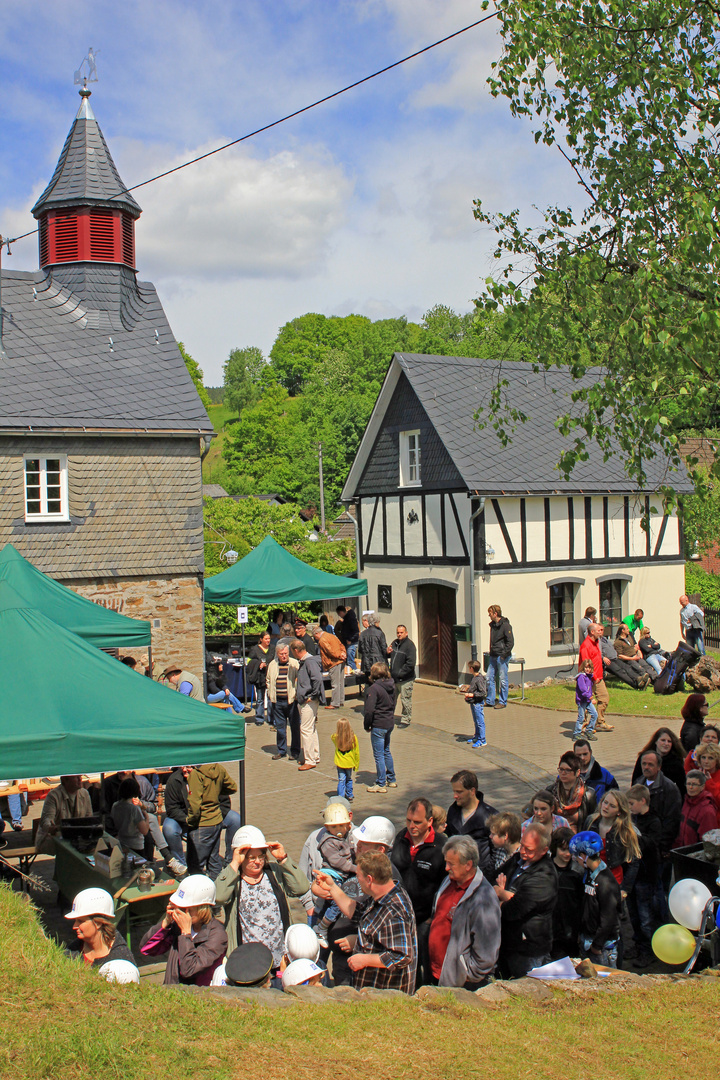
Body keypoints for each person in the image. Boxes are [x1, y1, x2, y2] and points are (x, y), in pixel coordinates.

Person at [314, 850, 417, 993]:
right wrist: (332, 887)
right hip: (372, 991)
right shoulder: (381, 895)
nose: (357, 880)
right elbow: (357, 911)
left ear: (369, 879)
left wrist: (364, 960)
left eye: (358, 876)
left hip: (385, 997)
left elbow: (402, 956)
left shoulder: (394, 911)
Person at [214, 825, 310, 965]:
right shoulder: (233, 878)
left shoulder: (274, 872)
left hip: (279, 958)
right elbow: (219, 897)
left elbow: (301, 887)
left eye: (261, 856)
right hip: (248, 960)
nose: (257, 862)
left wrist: (283, 859)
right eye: (251, 858)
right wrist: (234, 864)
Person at [427, 835, 501, 989]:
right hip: (437, 973)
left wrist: (466, 974)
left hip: (460, 983)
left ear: (468, 865)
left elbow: (487, 951)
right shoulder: (449, 880)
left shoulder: (483, 899)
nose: (446, 868)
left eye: (451, 864)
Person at [391, 797, 447, 984]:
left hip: (425, 920)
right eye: (408, 820)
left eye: (417, 822)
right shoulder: (400, 838)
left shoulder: (441, 846)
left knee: (425, 962)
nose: (411, 826)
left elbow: (446, 885)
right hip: (401, 917)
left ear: (430, 822)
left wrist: (433, 917)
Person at [494, 823, 558, 978]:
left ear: (544, 850)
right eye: (522, 846)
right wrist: (506, 895)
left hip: (528, 949)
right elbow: (493, 878)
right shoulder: (518, 859)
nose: (522, 852)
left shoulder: (544, 876)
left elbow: (514, 909)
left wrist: (501, 893)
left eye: (529, 850)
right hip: (507, 944)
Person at [140, 875, 227, 985]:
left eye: (187, 908)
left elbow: (189, 970)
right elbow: (146, 949)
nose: (180, 912)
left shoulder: (217, 935)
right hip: (171, 991)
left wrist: (186, 934)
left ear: (202, 908)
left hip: (196, 997)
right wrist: (165, 923)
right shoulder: (178, 924)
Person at [569, 831, 622, 968]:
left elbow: (608, 918)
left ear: (583, 856)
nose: (576, 861)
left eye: (576, 857)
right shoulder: (588, 875)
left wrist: (597, 945)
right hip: (588, 939)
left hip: (602, 947)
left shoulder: (606, 883)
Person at [625, 784, 663, 967]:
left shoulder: (653, 821)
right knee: (633, 914)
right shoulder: (634, 818)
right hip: (632, 876)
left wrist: (635, 835)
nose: (630, 807)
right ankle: (638, 944)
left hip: (646, 877)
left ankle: (649, 950)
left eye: (631, 803)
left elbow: (652, 845)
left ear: (643, 801)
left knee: (646, 916)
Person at [583, 791, 642, 898]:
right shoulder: (591, 822)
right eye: (605, 803)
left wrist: (624, 890)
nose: (606, 807)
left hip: (613, 881)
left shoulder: (625, 832)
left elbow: (634, 862)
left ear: (619, 811)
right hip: (590, 880)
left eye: (612, 806)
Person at [314, 803, 357, 947]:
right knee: (338, 903)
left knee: (335, 903)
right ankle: (322, 928)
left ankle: (322, 925)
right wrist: (354, 868)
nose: (338, 830)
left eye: (341, 826)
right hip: (333, 876)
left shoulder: (345, 837)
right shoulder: (328, 842)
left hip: (340, 876)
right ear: (327, 827)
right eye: (334, 827)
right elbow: (338, 862)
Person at [186, 762, 239, 879]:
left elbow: (194, 805)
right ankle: (217, 891)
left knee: (195, 866)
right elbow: (232, 787)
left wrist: (190, 821)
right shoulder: (218, 768)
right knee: (214, 860)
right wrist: (215, 791)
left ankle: (198, 892)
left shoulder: (196, 774)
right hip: (217, 820)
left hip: (202, 823)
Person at [446, 770, 498, 879]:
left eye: (459, 792)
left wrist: (485, 875)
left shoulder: (490, 816)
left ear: (472, 791)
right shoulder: (453, 811)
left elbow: (497, 852)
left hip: (480, 876)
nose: (455, 796)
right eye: (454, 791)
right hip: (456, 876)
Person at [64, 888, 135, 967]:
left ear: (98, 923)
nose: (74, 926)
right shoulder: (73, 950)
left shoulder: (121, 960)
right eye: (75, 921)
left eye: (81, 921)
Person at [638, 750, 683, 861]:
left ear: (659, 767)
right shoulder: (638, 783)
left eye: (650, 764)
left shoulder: (669, 789)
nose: (646, 767)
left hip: (659, 849)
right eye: (644, 764)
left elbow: (672, 821)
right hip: (640, 845)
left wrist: (663, 848)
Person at [36, 775, 93, 855]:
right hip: (53, 838)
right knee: (70, 847)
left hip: (76, 836)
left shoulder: (84, 794)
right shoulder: (53, 796)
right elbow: (46, 821)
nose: (80, 779)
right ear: (65, 781)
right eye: (76, 777)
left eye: (80, 776)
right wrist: (53, 828)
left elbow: (89, 819)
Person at [290, 638, 324, 772]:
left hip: (308, 701)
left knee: (305, 729)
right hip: (306, 700)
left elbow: (317, 678)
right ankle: (314, 756)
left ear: (296, 650)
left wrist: (312, 695)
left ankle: (310, 760)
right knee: (311, 728)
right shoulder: (306, 661)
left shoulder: (309, 661)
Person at [364, 661, 397, 793]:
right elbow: (393, 704)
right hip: (389, 722)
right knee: (386, 751)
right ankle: (392, 779)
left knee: (379, 755)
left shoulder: (374, 689)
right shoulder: (392, 685)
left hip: (378, 724)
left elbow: (369, 710)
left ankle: (381, 783)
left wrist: (367, 724)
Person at [549, 827, 583, 959]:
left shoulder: (577, 872)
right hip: (549, 929)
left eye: (569, 850)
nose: (567, 854)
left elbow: (582, 902)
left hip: (570, 929)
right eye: (563, 849)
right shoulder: (546, 868)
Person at [266, 643, 301, 762]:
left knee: (295, 728)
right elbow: (268, 680)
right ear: (277, 654)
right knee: (280, 728)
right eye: (282, 654)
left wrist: (296, 694)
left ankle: (295, 751)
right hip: (278, 702)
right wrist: (270, 692)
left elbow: (299, 680)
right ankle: (281, 750)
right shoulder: (272, 665)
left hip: (291, 701)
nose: (284, 656)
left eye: (286, 653)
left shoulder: (294, 663)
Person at [631, 727, 687, 796]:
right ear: (656, 741)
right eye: (663, 740)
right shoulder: (645, 758)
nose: (666, 743)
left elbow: (681, 789)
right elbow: (635, 780)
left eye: (669, 741)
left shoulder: (676, 763)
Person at [549, 752, 597, 832]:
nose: (563, 773)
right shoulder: (550, 791)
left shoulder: (588, 795)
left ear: (577, 772)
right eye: (561, 769)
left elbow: (593, 822)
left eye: (567, 770)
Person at [579, 623, 613, 731]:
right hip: (588, 680)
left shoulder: (597, 642)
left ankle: (600, 722)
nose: (601, 632)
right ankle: (582, 726)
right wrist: (592, 677)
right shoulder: (586, 646)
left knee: (604, 698)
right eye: (598, 630)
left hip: (599, 678)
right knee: (585, 703)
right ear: (592, 632)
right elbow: (586, 665)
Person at [162, 765, 196, 872]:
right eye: (183, 766)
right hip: (180, 819)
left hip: (202, 818)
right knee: (169, 829)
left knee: (234, 819)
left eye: (189, 767)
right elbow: (171, 809)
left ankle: (228, 862)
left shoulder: (205, 778)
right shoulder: (174, 780)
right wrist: (187, 819)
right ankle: (180, 865)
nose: (185, 769)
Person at [674, 770, 718, 847]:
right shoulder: (686, 802)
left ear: (702, 787)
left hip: (695, 855)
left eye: (694, 784)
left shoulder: (707, 811)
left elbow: (708, 842)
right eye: (688, 784)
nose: (690, 787)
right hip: (683, 852)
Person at [573, 739, 619, 804]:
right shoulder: (566, 774)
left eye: (585, 754)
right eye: (579, 755)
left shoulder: (605, 775)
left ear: (591, 752)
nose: (582, 758)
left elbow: (616, 798)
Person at [486, 605, 514, 709]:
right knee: (489, 678)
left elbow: (510, 642)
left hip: (502, 656)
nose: (489, 615)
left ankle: (502, 701)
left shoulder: (505, 625)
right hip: (493, 655)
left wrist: (504, 654)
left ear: (495, 613)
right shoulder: (493, 625)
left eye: (490, 613)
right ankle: (490, 700)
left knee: (503, 679)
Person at [313, 622, 347, 709]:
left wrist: (339, 655)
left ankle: (335, 703)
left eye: (314, 636)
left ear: (317, 633)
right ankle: (340, 701)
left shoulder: (322, 640)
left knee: (335, 684)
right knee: (340, 682)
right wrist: (343, 653)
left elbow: (329, 651)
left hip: (333, 662)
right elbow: (341, 644)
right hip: (341, 661)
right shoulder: (331, 635)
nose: (315, 639)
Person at [388, 625, 416, 726]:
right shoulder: (394, 643)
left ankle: (405, 720)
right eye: (398, 633)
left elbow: (410, 664)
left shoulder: (410, 646)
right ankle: (388, 717)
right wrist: (387, 652)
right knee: (391, 699)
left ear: (406, 633)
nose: (399, 634)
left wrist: (400, 673)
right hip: (393, 679)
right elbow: (389, 655)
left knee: (405, 700)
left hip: (405, 679)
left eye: (401, 632)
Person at [247, 631, 275, 723]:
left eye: (269, 639)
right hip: (260, 677)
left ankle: (271, 718)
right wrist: (258, 664)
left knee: (271, 698)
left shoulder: (272, 649)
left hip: (270, 676)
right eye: (266, 639)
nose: (268, 641)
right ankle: (259, 718)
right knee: (260, 699)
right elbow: (249, 662)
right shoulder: (255, 649)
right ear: (261, 639)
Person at [332, 717, 359, 801]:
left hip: (340, 763)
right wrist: (356, 764)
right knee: (349, 778)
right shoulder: (353, 738)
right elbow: (356, 752)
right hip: (349, 763)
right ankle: (350, 794)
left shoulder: (336, 738)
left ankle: (340, 796)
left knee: (341, 779)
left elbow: (332, 736)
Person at [464, 659, 487, 748]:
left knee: (480, 722)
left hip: (478, 703)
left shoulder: (479, 679)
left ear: (472, 668)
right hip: (473, 703)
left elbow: (482, 692)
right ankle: (477, 736)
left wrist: (471, 694)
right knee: (476, 721)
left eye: (469, 668)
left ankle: (482, 740)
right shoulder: (474, 678)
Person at [693, 743, 720, 819]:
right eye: (703, 757)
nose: (706, 761)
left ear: (717, 760)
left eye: (710, 758)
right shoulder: (695, 775)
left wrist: (709, 783)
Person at [573, 658, 598, 740]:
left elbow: (589, 688)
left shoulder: (589, 677)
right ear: (583, 668)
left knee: (594, 714)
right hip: (582, 700)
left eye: (589, 667)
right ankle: (577, 733)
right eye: (586, 667)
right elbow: (583, 690)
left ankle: (589, 730)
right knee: (581, 717)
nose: (588, 669)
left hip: (587, 700)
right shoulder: (581, 677)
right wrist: (590, 698)